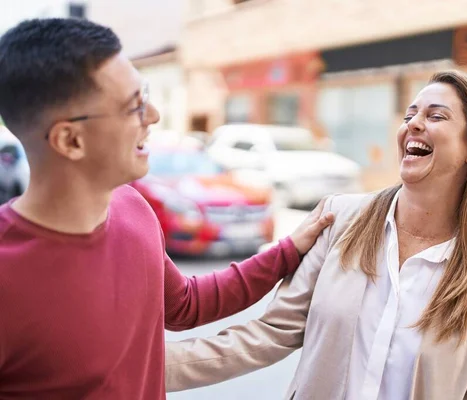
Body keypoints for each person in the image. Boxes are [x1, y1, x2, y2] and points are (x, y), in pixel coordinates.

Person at [0, 18, 333, 400]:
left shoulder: (133, 207)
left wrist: (288, 251)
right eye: (133, 106)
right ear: (70, 140)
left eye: (146, 94)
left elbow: (186, 305)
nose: (154, 115)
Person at [165, 70, 467, 400]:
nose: (414, 124)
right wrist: (140, 365)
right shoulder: (340, 219)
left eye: (435, 115)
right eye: (410, 114)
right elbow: (269, 334)